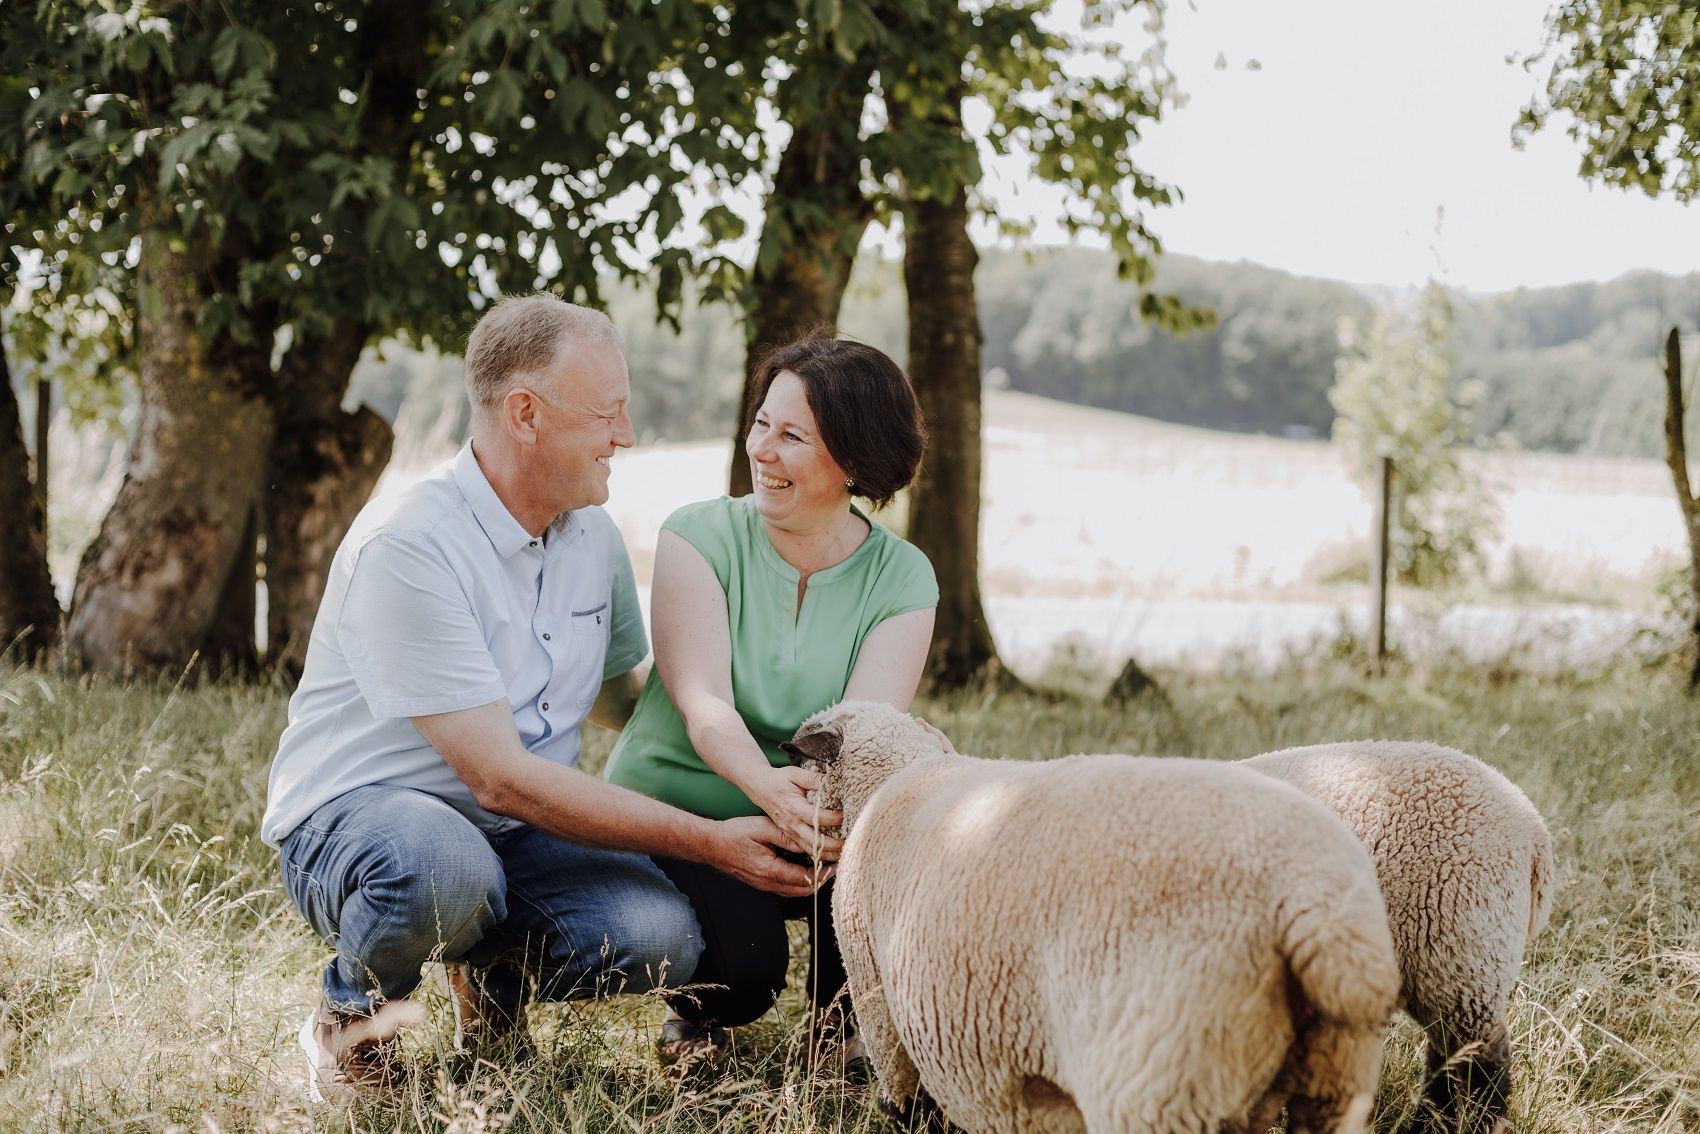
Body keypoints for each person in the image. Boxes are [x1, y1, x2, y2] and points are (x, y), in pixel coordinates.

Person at [260, 295, 822, 1104]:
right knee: (437, 865)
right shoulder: (413, 545)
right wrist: (711, 840)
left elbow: (624, 697)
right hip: (365, 823)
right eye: (608, 413)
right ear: (525, 414)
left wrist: (758, 744)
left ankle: (487, 985)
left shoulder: (590, 534)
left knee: (658, 932)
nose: (625, 436)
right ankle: (352, 1022)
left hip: (510, 836)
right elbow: (497, 778)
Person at [603, 335, 937, 1067]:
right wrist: (769, 796)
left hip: (813, 805)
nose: (763, 449)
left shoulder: (903, 577)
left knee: (894, 847)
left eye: (792, 436)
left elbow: (861, 735)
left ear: (854, 459)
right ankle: (700, 1016)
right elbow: (704, 706)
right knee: (746, 974)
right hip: (683, 807)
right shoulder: (698, 535)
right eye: (762, 424)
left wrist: (810, 815)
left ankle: (843, 1028)